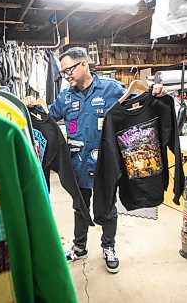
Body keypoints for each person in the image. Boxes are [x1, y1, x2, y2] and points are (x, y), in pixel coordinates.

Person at [24, 47, 167, 274]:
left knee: (108, 206)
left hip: (105, 165)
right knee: (79, 207)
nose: (67, 75)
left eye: (69, 69)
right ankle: (79, 247)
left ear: (83, 64)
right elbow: (48, 116)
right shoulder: (66, 96)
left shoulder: (111, 89)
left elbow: (140, 101)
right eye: (63, 72)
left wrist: (156, 91)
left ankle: (108, 246)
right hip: (77, 163)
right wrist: (32, 106)